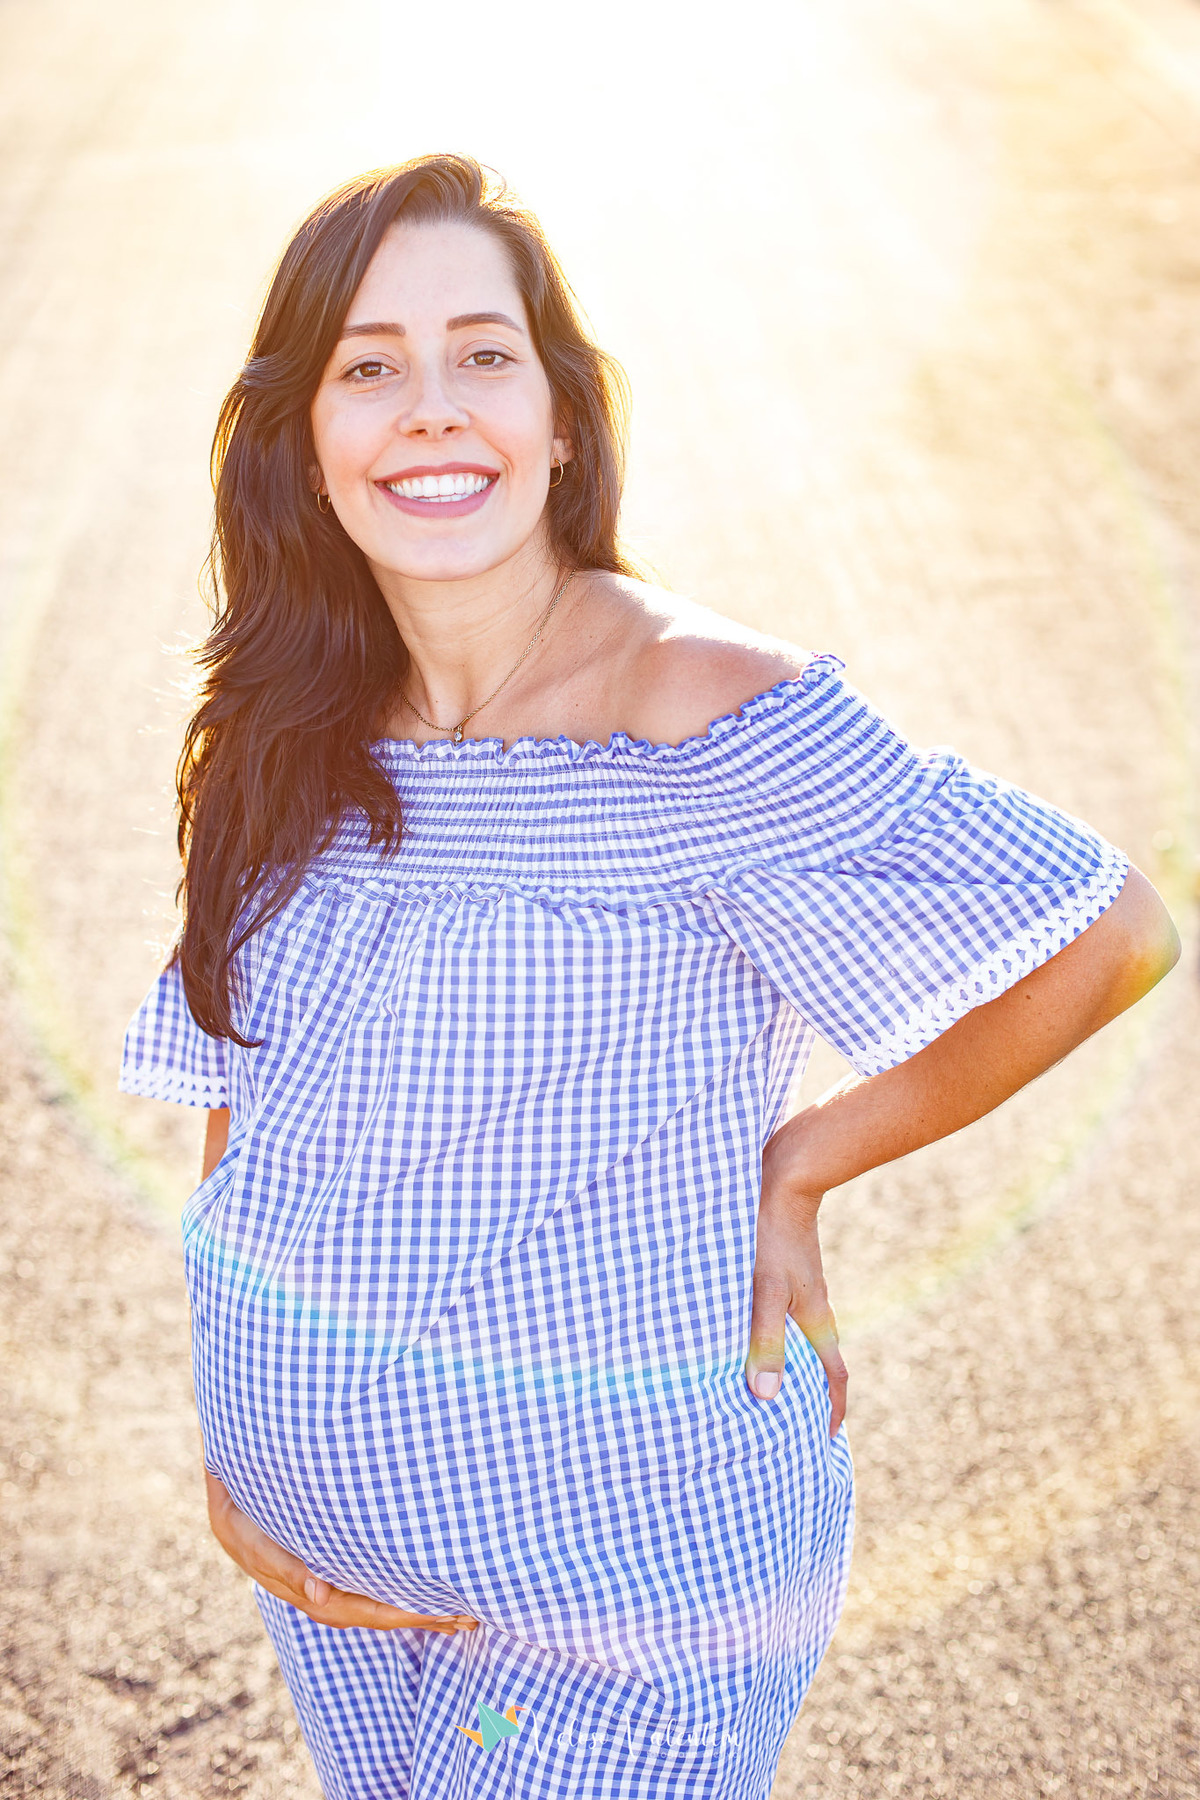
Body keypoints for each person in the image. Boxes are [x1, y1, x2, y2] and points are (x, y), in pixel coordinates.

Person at [118, 153, 1179, 1800]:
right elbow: (253, 1093)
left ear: (559, 420)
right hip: (342, 1594)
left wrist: (805, 1158)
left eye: (484, 354)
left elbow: (1108, 929)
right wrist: (236, 1442)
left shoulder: (690, 703)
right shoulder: (291, 727)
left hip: (625, 1588)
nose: (432, 409)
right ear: (303, 441)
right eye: (369, 367)